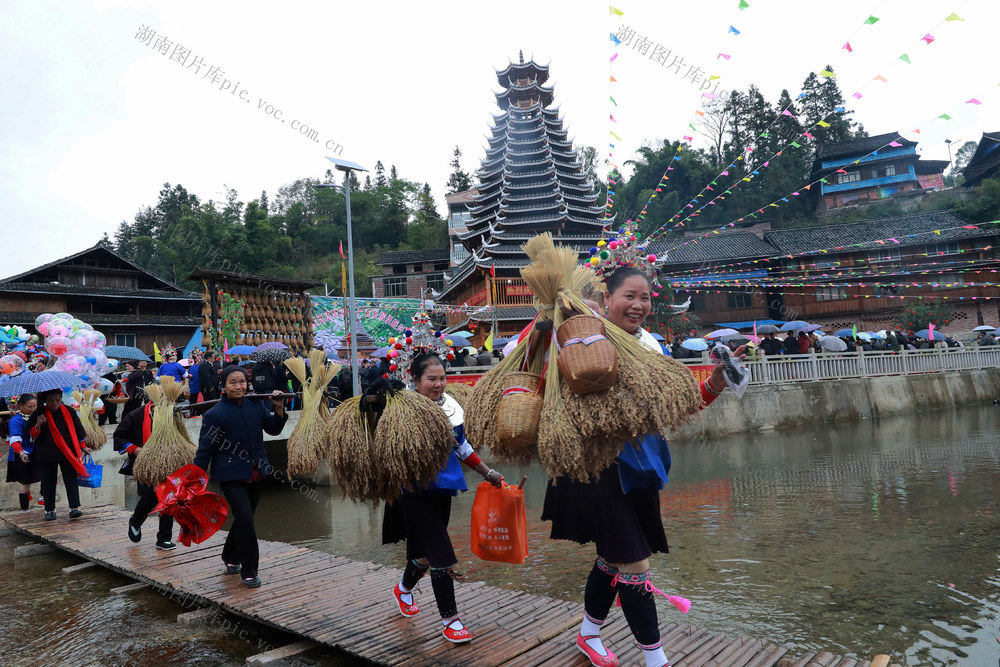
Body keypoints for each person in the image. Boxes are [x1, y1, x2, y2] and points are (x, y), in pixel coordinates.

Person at [541, 267, 735, 667]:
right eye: (629, 296)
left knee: (613, 558)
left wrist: (715, 382)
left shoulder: (649, 346)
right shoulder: (580, 339)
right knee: (634, 562)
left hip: (639, 466)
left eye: (645, 297)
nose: (639, 305)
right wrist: (565, 318)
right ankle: (657, 660)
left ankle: (588, 634)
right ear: (607, 298)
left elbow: (676, 405)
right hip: (597, 467)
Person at [383, 352, 503, 644]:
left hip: (442, 488)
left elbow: (461, 446)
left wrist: (488, 473)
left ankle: (403, 589)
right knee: (441, 554)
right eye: (431, 379)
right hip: (411, 490)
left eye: (442, 378)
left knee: (424, 553)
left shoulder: (451, 408)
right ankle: (451, 620)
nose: (439, 384)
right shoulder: (400, 408)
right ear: (415, 380)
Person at [193, 366, 287, 588]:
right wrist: (196, 478)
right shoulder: (214, 415)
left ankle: (230, 556)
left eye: (242, 382)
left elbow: (273, 430)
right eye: (233, 382)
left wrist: (279, 409)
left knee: (245, 519)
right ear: (223, 387)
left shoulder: (256, 404)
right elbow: (205, 449)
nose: (238, 386)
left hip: (256, 471)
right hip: (230, 475)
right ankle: (250, 570)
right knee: (245, 519)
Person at [113, 400, 175, 550]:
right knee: (149, 498)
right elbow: (119, 436)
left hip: (167, 462)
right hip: (144, 464)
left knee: (168, 498)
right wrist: (134, 449)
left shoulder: (172, 414)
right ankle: (135, 521)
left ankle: (164, 538)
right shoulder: (136, 415)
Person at [25, 389, 91, 521]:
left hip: (67, 452)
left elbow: (79, 429)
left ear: (61, 399)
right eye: (50, 400)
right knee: (48, 482)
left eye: (57, 400)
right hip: (47, 453)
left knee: (70, 479)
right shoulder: (39, 413)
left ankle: (74, 507)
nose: (54, 403)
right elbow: (29, 435)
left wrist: (83, 446)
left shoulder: (69, 411)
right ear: (44, 401)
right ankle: (49, 510)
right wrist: (38, 423)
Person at [5, 394, 42, 512]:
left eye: (35, 406)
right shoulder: (16, 421)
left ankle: (44, 499)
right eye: (29, 406)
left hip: (37, 451)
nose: (33, 409)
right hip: (21, 453)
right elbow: (15, 440)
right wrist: (21, 453)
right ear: (20, 406)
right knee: (26, 483)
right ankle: (25, 510)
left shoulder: (38, 417)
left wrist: (39, 424)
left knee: (47, 475)